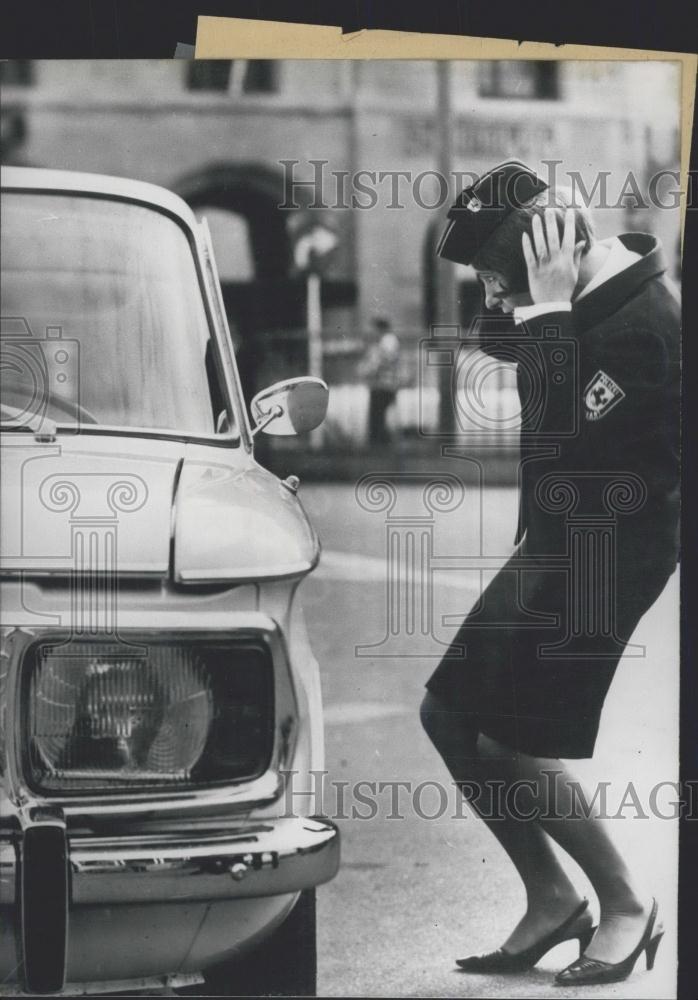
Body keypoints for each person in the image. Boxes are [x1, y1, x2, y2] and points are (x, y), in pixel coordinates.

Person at [421, 161, 680, 985]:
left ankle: (627, 905)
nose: (491, 300)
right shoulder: (577, 303)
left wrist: (542, 308)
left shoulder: (648, 329)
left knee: (513, 745)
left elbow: (570, 456)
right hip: (554, 540)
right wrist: (536, 304)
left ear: (546, 254)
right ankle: (550, 898)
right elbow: (498, 343)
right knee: (446, 714)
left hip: (610, 550)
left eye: (494, 280)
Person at [358, 317, 402, 445]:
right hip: (383, 383)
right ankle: (380, 441)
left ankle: (379, 442)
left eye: (374, 329)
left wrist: (368, 369)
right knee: (378, 414)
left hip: (384, 384)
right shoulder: (384, 341)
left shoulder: (387, 341)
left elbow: (380, 361)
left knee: (377, 414)